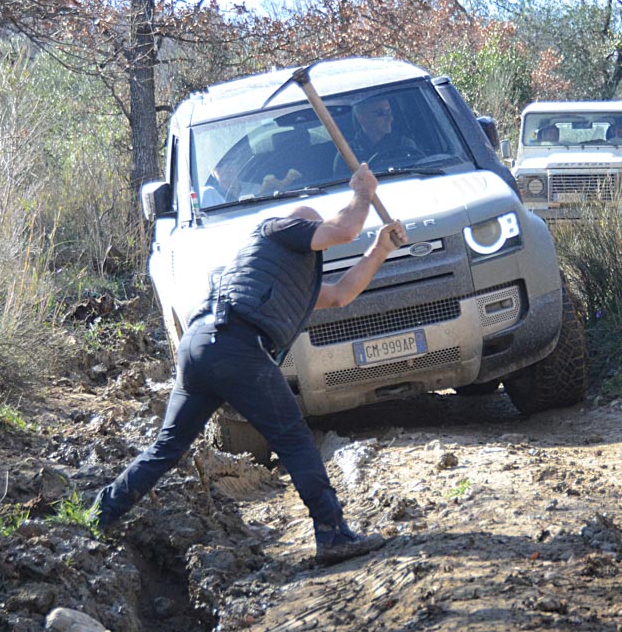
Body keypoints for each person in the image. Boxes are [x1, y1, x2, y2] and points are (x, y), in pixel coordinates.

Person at [92, 164, 408, 565]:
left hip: (200, 344)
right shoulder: (278, 228)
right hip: (235, 344)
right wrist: (362, 193)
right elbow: (342, 230)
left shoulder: (283, 274)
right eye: (314, 231)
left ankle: (99, 512)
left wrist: (380, 249)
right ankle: (332, 533)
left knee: (167, 447)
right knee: (293, 438)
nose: (319, 240)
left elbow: (343, 293)